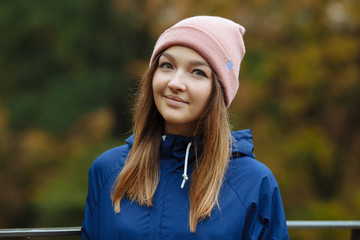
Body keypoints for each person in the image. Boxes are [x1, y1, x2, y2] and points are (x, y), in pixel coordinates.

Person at [81, 16, 289, 239]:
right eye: (167, 66)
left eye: (197, 72)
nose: (175, 83)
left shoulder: (254, 183)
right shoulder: (108, 171)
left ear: (218, 91)